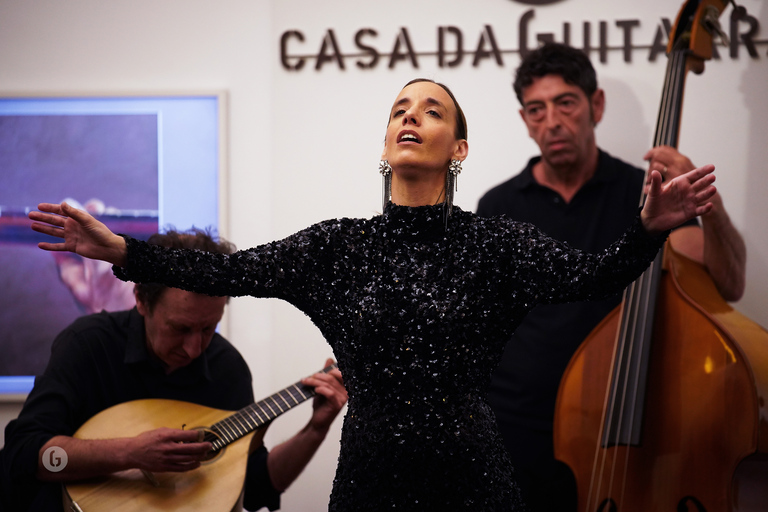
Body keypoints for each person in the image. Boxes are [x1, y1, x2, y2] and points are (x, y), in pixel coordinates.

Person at [27, 78, 718, 511]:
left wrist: (649, 228)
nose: (412, 116)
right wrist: (120, 250)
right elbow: (226, 273)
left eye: (434, 110)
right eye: (400, 109)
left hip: (476, 476)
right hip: (370, 479)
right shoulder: (337, 247)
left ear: (461, 150)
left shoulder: (497, 242)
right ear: (387, 146)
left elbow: (590, 279)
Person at [476, 43, 747, 511]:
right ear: (525, 121)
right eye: (536, 110)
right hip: (515, 429)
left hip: (614, 425)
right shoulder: (497, 206)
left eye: (566, 103)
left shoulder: (647, 194)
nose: (552, 122)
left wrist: (711, 205)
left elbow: (726, 285)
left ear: (595, 105)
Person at [0, 228, 348, 512]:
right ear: (141, 300)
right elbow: (26, 458)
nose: (194, 348)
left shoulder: (227, 367)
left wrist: (315, 429)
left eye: (208, 329)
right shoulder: (89, 345)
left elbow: (256, 487)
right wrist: (128, 453)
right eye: (180, 329)